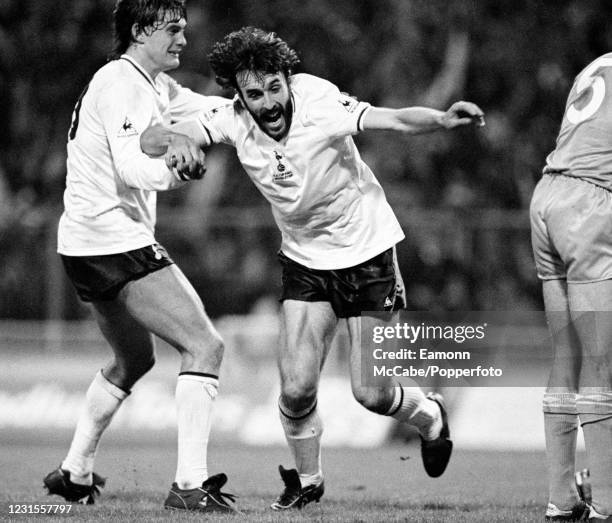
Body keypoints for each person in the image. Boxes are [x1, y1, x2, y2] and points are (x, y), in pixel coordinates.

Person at [141, 26, 484, 511]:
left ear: (288, 78)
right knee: (298, 389)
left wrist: (442, 119)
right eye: (254, 94)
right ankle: (308, 480)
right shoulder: (232, 118)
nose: (267, 103)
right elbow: (152, 138)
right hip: (305, 260)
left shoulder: (320, 101)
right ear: (240, 96)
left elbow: (393, 119)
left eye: (274, 87)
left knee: (370, 392)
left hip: (367, 254)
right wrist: (173, 141)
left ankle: (429, 415)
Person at [43, 0, 238, 514]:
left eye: (183, 29)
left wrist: (252, 113)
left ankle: (74, 472)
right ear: (138, 30)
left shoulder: (151, 85)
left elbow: (204, 111)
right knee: (205, 346)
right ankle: (189, 485)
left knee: (134, 360)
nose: (182, 40)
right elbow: (134, 169)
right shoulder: (122, 83)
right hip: (113, 240)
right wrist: (178, 167)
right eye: (172, 29)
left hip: (83, 242)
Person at [530, 52, 612, 522]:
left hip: (548, 198)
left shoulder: (595, 65)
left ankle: (561, 500)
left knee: (567, 358)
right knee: (601, 364)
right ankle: (605, 506)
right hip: (589, 206)